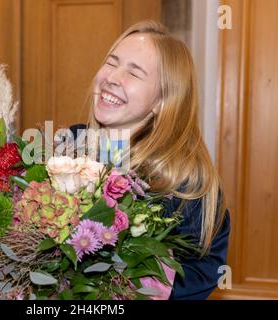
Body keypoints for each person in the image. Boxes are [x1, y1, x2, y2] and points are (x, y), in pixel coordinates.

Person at [70, 20, 230, 300]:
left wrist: (133, 285)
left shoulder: (187, 187)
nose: (112, 78)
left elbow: (206, 272)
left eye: (134, 72)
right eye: (112, 62)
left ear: (162, 100)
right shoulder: (69, 146)